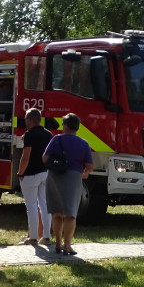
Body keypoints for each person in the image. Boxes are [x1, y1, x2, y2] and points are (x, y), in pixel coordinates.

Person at [42, 113, 94, 256]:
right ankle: (67, 245)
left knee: (56, 212)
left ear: (65, 125)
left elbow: (45, 158)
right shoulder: (83, 143)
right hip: (74, 177)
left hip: (55, 177)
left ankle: (58, 244)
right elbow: (90, 165)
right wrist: (85, 173)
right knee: (70, 214)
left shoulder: (56, 139)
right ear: (77, 127)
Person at [17, 107, 53, 247]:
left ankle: (32, 238)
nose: (25, 121)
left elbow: (26, 156)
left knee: (31, 206)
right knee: (44, 205)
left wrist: (20, 172)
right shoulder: (48, 134)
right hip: (46, 172)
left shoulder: (30, 135)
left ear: (31, 120)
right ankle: (46, 237)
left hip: (31, 174)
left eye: (26, 118)